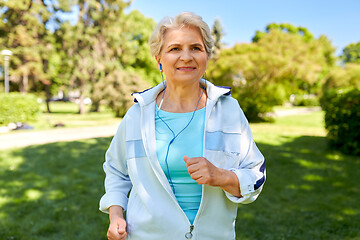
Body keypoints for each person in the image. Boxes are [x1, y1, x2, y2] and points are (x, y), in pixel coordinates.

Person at [99, 12, 266, 240]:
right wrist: (116, 214)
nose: (186, 57)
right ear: (159, 59)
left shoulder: (228, 110)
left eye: (196, 48)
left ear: (207, 56)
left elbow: (255, 175)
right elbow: (116, 170)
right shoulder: (138, 114)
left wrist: (220, 176)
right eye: (175, 49)